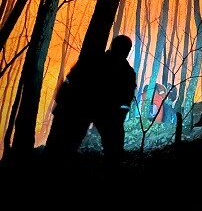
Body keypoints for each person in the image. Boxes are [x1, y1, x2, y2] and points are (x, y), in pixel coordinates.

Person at [43, 34, 137, 172]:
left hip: (95, 110)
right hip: (82, 109)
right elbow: (70, 83)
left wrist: (117, 117)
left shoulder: (99, 62)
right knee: (67, 145)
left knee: (112, 147)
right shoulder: (122, 70)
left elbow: (125, 101)